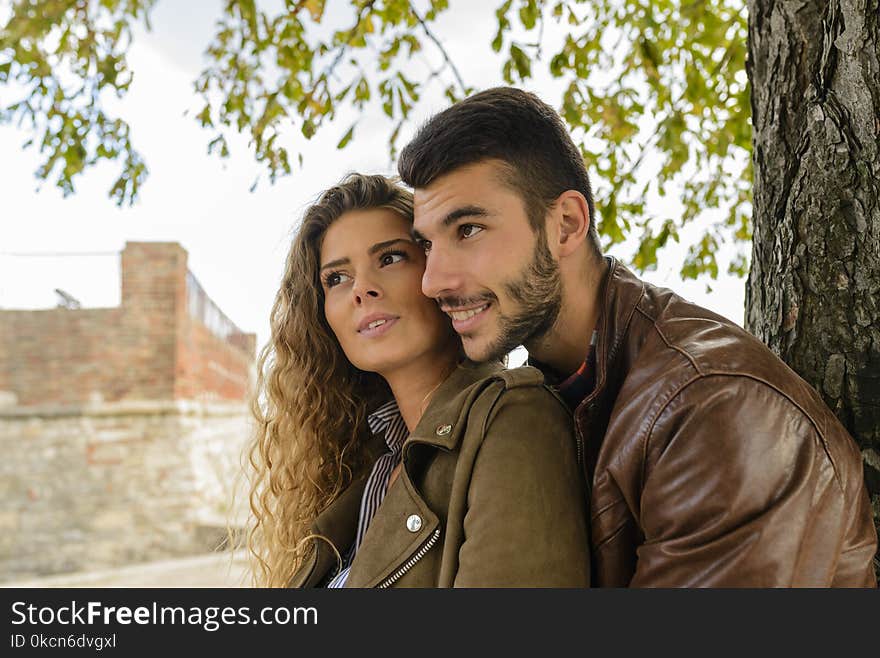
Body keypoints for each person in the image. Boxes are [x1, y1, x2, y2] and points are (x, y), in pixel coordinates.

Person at [397, 87, 878, 587]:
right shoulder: (549, 394)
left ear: (566, 225)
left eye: (469, 230)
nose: (433, 282)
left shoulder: (711, 409)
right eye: (427, 244)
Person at [247, 173, 589, 588]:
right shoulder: (372, 466)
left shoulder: (512, 416)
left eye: (390, 258)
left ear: (438, 273)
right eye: (336, 278)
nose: (362, 289)